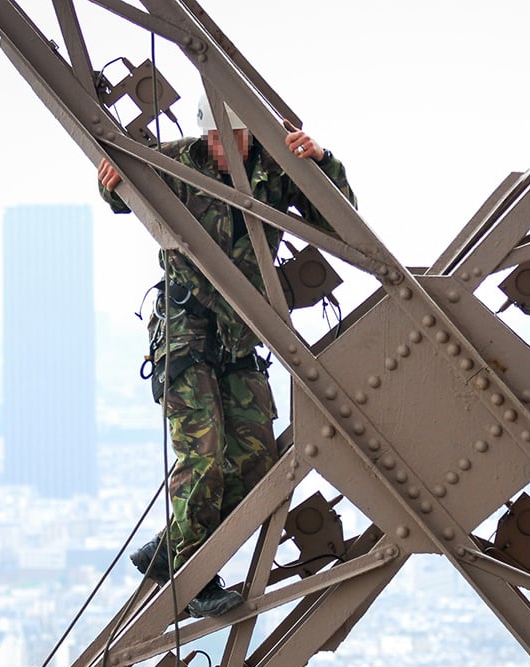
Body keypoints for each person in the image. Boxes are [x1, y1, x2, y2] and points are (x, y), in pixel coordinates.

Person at [98, 96, 356, 616]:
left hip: (239, 335)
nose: (222, 148)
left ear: (251, 136)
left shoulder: (277, 172)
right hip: (186, 331)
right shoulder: (179, 162)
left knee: (258, 463)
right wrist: (109, 181)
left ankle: (170, 548)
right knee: (204, 454)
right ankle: (193, 578)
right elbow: (124, 192)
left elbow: (338, 222)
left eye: (233, 138)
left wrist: (322, 162)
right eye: (215, 138)